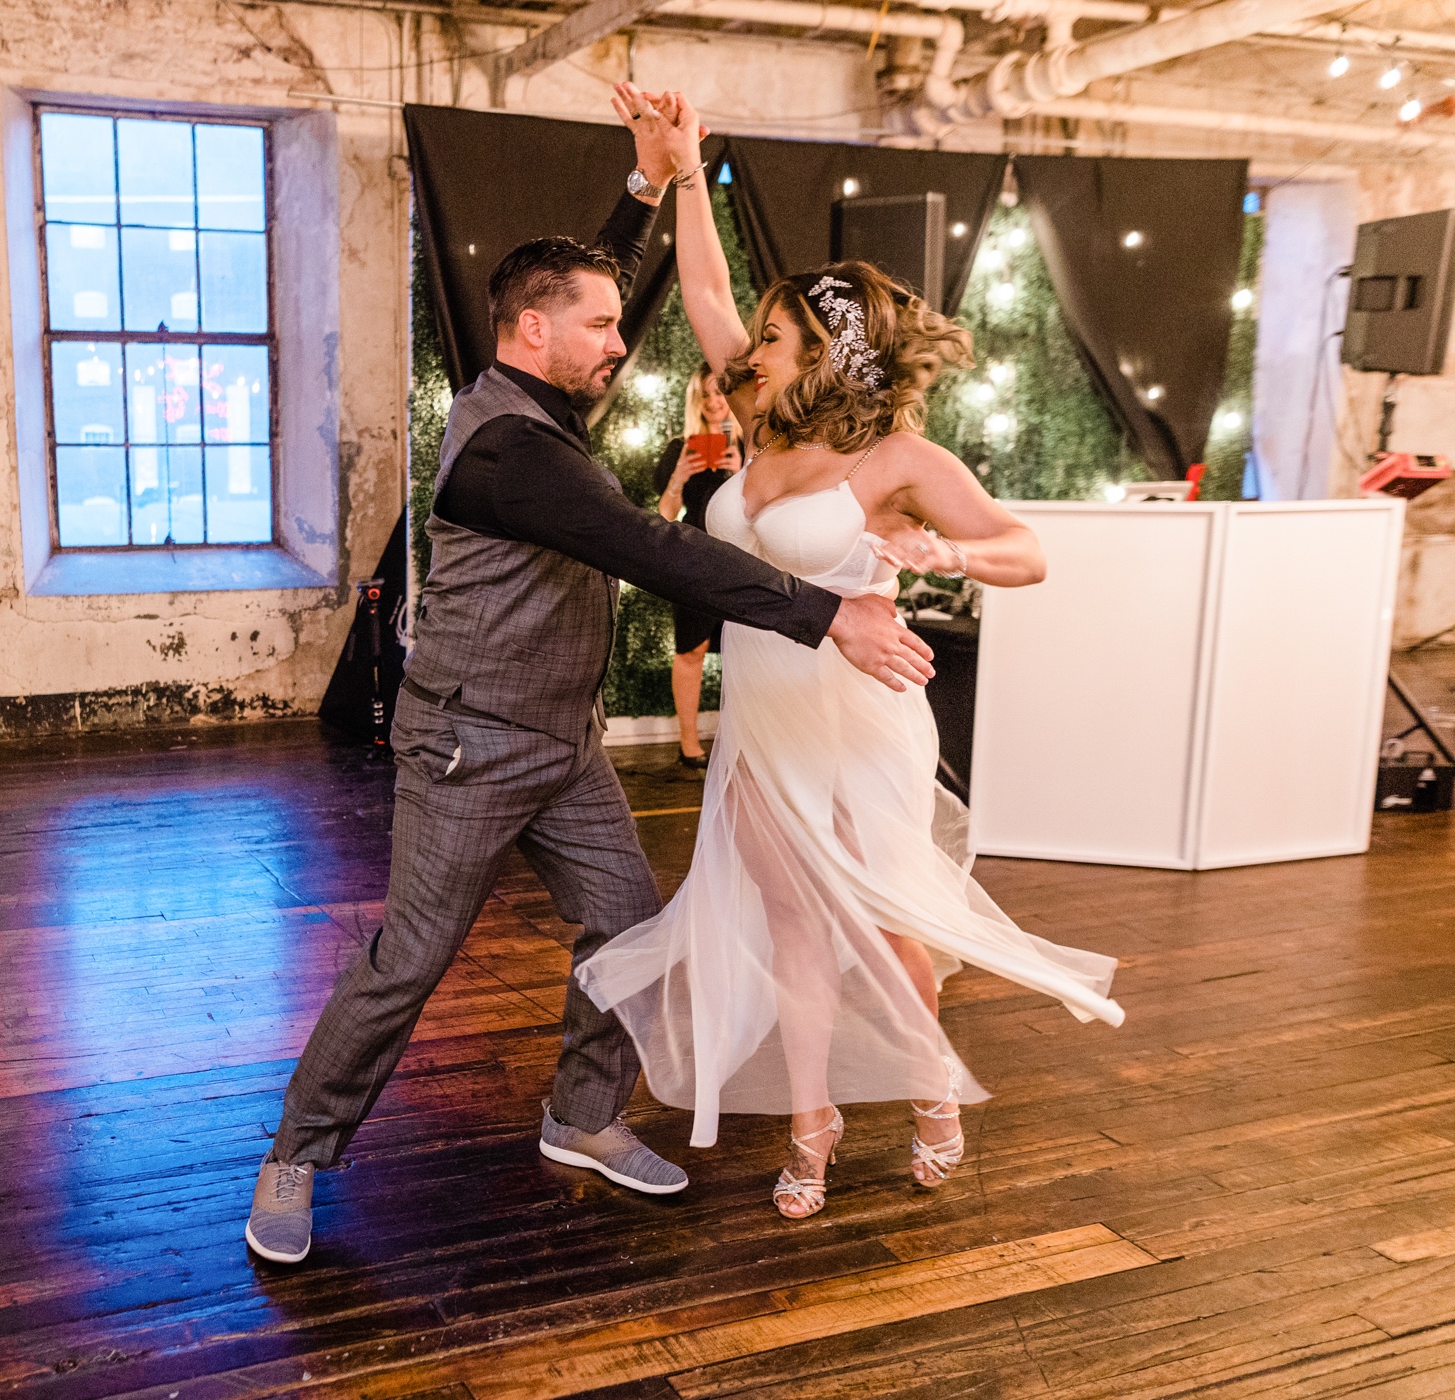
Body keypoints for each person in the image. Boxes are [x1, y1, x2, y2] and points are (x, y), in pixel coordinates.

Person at [243, 110, 937, 1265]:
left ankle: (580, 1114)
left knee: (629, 923)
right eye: (603, 326)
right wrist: (831, 615)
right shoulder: (510, 452)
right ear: (534, 331)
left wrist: (645, 186)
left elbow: (584, 283)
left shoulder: (544, 393)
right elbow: (655, 548)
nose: (622, 341)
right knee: (409, 958)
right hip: (467, 744)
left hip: (563, 742)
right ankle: (296, 1154)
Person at [576, 84, 1125, 1222]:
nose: (751, 348)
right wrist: (686, 168)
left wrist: (939, 552)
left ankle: (931, 1087)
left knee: (881, 922)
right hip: (763, 719)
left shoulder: (897, 459)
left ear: (828, 351)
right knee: (793, 932)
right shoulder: (756, 420)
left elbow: (1027, 552)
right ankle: (812, 1121)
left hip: (860, 719)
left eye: (774, 338)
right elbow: (706, 289)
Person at [653, 370, 742, 767]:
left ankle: (745, 739)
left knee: (746, 648)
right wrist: (678, 478)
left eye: (720, 393)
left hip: (741, 557)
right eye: (704, 395)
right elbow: (665, 514)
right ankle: (688, 742)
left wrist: (741, 472)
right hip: (692, 557)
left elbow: (765, 511)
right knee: (692, 648)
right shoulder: (680, 448)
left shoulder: (751, 446)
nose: (713, 402)